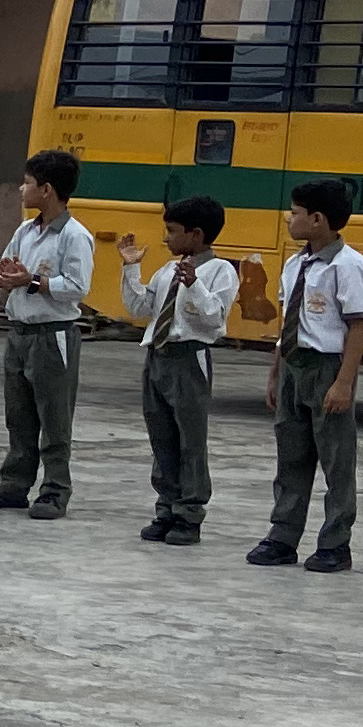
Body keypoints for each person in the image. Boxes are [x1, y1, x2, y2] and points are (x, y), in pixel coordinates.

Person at [251, 178, 363, 572]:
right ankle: (283, 535)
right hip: (294, 363)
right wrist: (276, 373)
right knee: (291, 453)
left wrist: (344, 382)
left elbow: (358, 326)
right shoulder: (295, 264)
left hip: (328, 367)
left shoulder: (350, 266)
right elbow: (289, 322)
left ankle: (335, 543)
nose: (289, 220)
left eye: (295, 213)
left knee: (336, 459)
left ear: (318, 219)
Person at [0, 151, 95, 518]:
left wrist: (32, 281)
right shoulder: (25, 231)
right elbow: (7, 272)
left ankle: (55, 489)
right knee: (19, 414)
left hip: (52, 334)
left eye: (27, 183)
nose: (21, 189)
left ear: (46, 189)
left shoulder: (74, 236)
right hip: (19, 332)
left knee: (54, 416)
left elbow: (77, 287)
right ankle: (14, 483)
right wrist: (7, 277)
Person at [116, 194, 237, 544]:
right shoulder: (168, 269)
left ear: (195, 234)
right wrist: (131, 269)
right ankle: (166, 507)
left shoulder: (221, 271)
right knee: (162, 436)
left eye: (172, 231)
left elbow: (215, 318)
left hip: (189, 358)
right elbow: (141, 307)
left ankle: (189, 513)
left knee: (190, 439)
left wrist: (194, 284)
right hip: (158, 356)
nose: (166, 238)